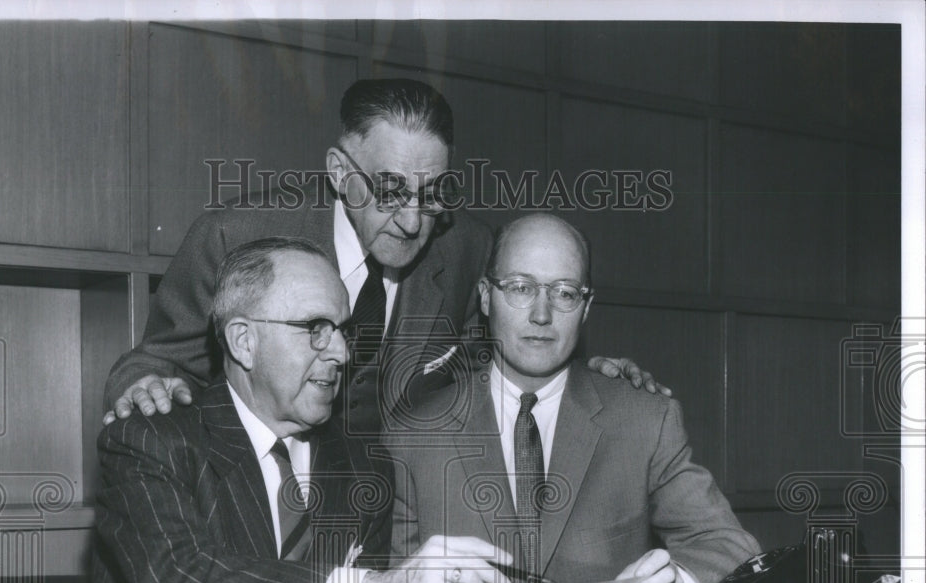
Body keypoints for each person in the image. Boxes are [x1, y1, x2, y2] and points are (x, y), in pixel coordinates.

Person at [102, 78, 666, 435]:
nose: (415, 219)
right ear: (340, 173)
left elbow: (493, 360)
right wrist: (144, 385)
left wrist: (585, 377)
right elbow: (159, 361)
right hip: (255, 507)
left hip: (388, 523)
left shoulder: (467, 247)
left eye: (433, 192)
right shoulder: (232, 237)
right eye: (392, 191)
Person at [90, 237, 512, 583]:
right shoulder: (147, 443)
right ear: (243, 341)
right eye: (315, 328)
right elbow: (187, 580)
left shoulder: (367, 467)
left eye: (343, 331)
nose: (342, 353)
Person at [385, 214, 760, 583]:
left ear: (585, 308)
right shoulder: (415, 435)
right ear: (485, 296)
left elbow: (729, 545)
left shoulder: (644, 421)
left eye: (564, 293)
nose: (541, 314)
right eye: (520, 288)